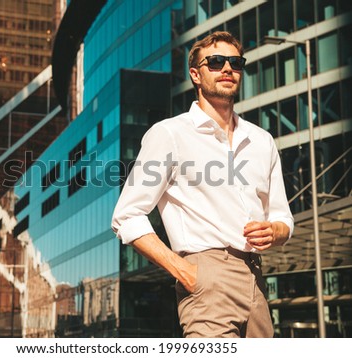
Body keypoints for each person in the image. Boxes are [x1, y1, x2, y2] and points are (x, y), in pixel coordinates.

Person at [111, 31, 294, 338]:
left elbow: (283, 217)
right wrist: (185, 271)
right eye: (216, 62)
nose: (227, 69)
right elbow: (126, 215)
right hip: (205, 277)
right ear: (195, 74)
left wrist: (274, 231)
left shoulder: (262, 141)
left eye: (235, 62)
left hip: (256, 280)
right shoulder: (170, 134)